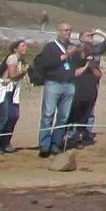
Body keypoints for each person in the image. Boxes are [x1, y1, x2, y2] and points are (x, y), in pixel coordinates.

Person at [33, 26, 79, 156]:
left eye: (70, 30)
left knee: (63, 116)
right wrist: (66, 55)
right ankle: (44, 145)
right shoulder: (50, 47)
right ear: (58, 32)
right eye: (65, 30)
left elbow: (76, 64)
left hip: (69, 84)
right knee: (48, 114)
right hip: (53, 83)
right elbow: (47, 64)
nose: (68, 33)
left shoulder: (72, 47)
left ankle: (56, 143)